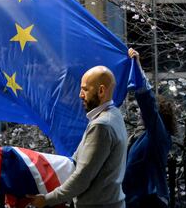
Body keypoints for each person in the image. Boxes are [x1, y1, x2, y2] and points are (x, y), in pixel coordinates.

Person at [28, 66, 128, 208]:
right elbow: (77, 161)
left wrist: (46, 200)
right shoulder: (114, 116)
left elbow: (82, 177)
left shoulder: (101, 125)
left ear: (101, 91)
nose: (80, 94)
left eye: (85, 89)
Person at [123, 49, 177, 208]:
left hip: (150, 199)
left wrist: (138, 67)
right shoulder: (139, 137)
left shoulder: (158, 136)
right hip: (134, 199)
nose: (140, 114)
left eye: (142, 113)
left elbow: (148, 105)